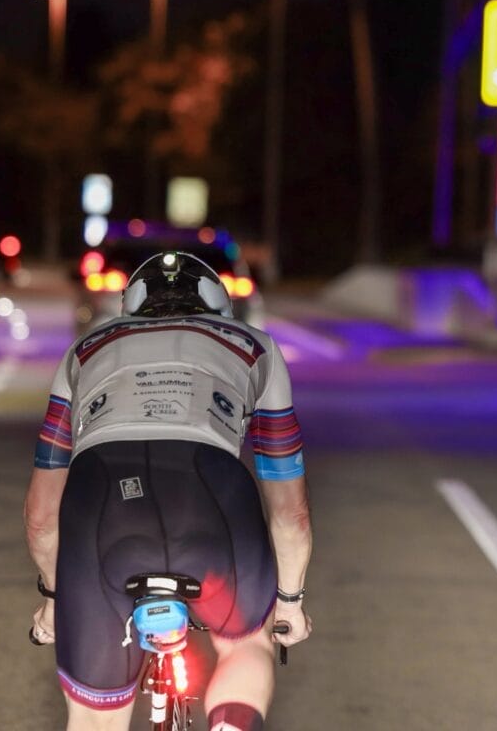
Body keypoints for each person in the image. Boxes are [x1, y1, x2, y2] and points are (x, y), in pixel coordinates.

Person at [24, 250, 312, 731]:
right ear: (219, 308)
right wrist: (289, 601)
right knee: (245, 644)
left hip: (101, 501)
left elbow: (41, 515)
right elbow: (291, 512)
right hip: (210, 497)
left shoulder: (85, 349)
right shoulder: (254, 345)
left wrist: (56, 599)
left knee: (94, 716)